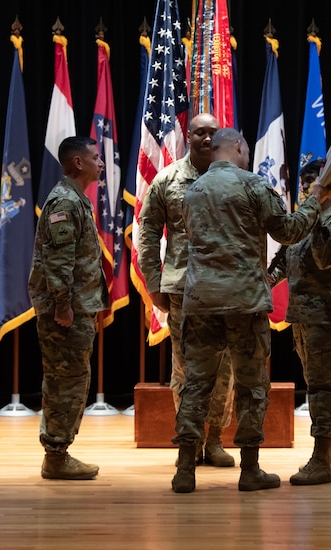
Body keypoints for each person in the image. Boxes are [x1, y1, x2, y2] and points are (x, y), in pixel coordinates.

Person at [172, 127, 326, 493]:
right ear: (239, 147)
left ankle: (184, 470)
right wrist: (315, 200)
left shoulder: (191, 191)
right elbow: (287, 231)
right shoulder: (252, 185)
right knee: (251, 386)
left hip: (201, 301)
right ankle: (250, 469)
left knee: (196, 385)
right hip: (243, 302)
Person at [137, 113, 235, 468]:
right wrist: (153, 284)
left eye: (213, 133)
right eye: (200, 133)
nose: (207, 139)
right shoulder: (168, 179)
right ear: (188, 136)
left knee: (224, 367)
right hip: (182, 287)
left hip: (226, 288)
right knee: (185, 369)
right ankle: (189, 440)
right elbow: (146, 234)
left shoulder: (233, 179)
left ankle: (215, 440)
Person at [269, 158, 331, 486]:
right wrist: (266, 279)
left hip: (328, 317)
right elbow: (285, 258)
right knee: (326, 385)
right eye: (304, 181)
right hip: (305, 317)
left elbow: (324, 259)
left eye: (313, 181)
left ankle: (321, 460)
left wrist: (316, 212)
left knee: (322, 387)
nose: (306, 186)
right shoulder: (305, 218)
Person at [29, 136, 109, 480]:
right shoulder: (65, 201)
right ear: (78, 163)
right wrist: (63, 306)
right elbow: (58, 262)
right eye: (95, 157)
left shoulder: (76, 200)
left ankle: (58, 451)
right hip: (66, 312)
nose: (101, 163)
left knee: (72, 379)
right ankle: (57, 455)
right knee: (67, 381)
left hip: (75, 307)